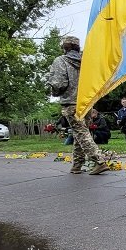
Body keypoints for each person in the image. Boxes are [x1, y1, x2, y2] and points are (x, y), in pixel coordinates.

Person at [47, 35, 109, 175]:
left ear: (65, 47)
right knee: (79, 133)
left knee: (80, 132)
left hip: (71, 103)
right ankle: (77, 165)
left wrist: (53, 89)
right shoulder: (86, 61)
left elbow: (59, 84)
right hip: (87, 102)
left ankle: (99, 161)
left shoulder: (61, 60)